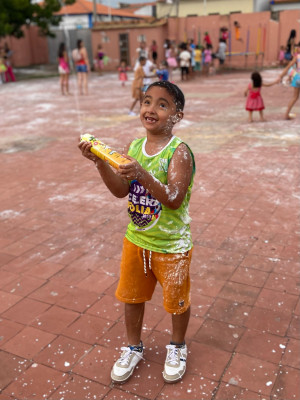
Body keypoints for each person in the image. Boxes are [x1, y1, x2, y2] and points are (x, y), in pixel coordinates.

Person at [78, 80, 195, 385]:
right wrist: (100, 162)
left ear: (177, 115)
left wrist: (141, 172)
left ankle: (178, 346)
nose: (151, 108)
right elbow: (120, 191)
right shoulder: (133, 148)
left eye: (162, 104)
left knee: (177, 300)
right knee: (132, 297)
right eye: (146, 101)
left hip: (172, 245)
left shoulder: (179, 152)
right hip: (137, 239)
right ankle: (133, 346)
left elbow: (173, 198)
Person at [275, 42, 300, 119]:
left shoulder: (297, 57)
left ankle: (286, 114)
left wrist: (281, 76)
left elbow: (289, 66)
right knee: (295, 97)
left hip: (297, 77)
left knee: (295, 97)